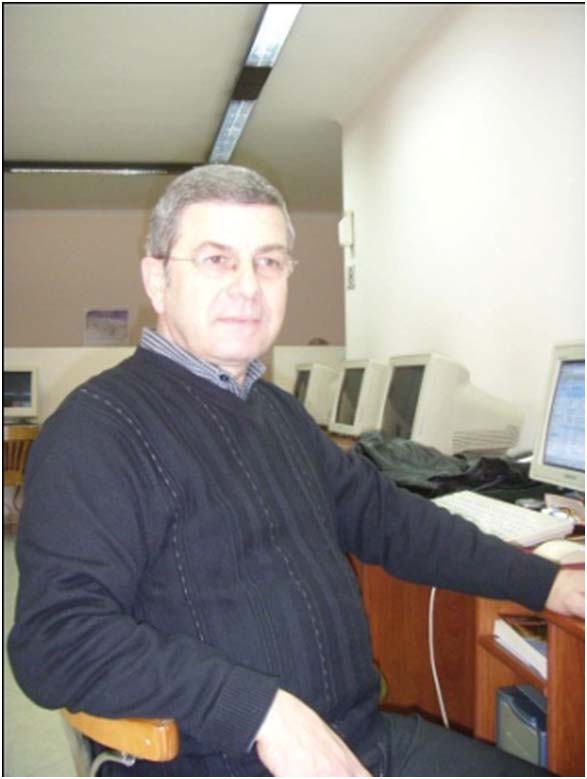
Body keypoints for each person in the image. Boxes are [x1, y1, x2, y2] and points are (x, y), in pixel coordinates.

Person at [9, 165, 584, 778]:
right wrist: (260, 713)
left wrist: (545, 583)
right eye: (216, 260)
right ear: (157, 279)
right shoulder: (97, 429)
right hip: (224, 761)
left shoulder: (276, 413)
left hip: (358, 740)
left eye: (269, 262)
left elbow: (389, 521)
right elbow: (56, 639)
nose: (248, 287)